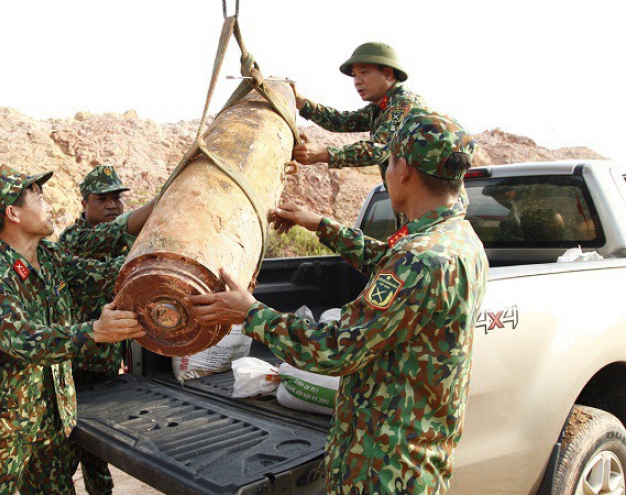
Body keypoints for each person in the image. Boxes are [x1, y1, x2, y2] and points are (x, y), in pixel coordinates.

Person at [187, 112, 489, 494]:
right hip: (413, 456)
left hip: (384, 469)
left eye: (390, 161)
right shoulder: (456, 239)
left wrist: (250, 313)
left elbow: (335, 350)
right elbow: (391, 260)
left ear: (405, 170)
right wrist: (320, 224)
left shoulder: (422, 259)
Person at [0, 165, 145, 494]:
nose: (48, 205)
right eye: (38, 198)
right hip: (3, 435)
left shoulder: (49, 257)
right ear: (12, 212)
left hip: (52, 429)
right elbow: (25, 340)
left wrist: (157, 261)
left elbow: (100, 275)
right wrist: (94, 332)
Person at [56, 164, 156, 495]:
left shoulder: (122, 240)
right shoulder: (75, 238)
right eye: (103, 198)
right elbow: (114, 273)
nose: (112, 204)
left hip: (105, 362)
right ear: (85, 203)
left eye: (117, 197)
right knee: (65, 448)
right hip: (74, 362)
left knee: (99, 447)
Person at [291, 41, 427, 183]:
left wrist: (323, 153)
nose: (357, 81)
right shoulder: (381, 106)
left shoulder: (404, 104)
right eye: (355, 75)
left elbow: (378, 150)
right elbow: (341, 121)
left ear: (387, 74)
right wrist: (301, 103)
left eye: (364, 72)